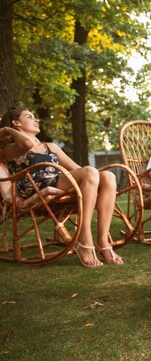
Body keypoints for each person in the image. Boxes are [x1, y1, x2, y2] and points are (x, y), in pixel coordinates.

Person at [0, 108, 125, 267]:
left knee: (108, 176)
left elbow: (77, 168)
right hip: (34, 187)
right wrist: (5, 130)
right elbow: (27, 143)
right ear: (16, 123)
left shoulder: (50, 146)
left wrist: (97, 181)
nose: (36, 120)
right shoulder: (10, 148)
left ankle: (102, 241)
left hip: (58, 181)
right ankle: (83, 236)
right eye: (30, 117)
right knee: (91, 173)